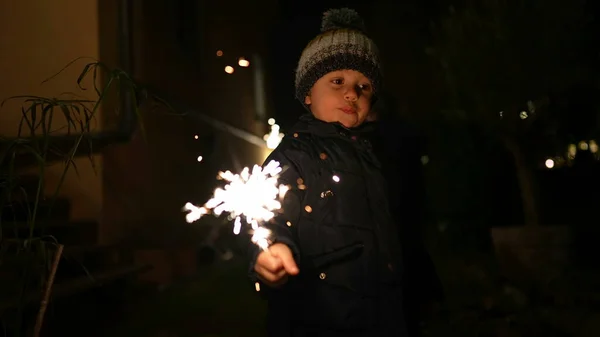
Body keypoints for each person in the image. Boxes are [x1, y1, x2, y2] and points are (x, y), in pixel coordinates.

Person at [248, 8, 437, 337]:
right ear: (308, 93)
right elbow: (268, 216)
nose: (353, 93)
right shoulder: (295, 155)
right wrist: (271, 247)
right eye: (337, 82)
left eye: (364, 86)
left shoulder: (378, 155)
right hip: (319, 320)